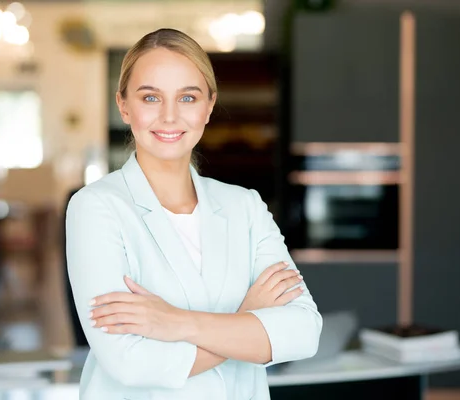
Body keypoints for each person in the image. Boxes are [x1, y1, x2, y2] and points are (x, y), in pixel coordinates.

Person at [65, 28, 323, 400]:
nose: (170, 117)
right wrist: (245, 320)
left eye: (188, 97)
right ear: (123, 105)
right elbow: (129, 361)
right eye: (150, 97)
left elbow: (302, 332)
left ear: (209, 106)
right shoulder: (95, 207)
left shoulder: (245, 206)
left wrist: (174, 322)